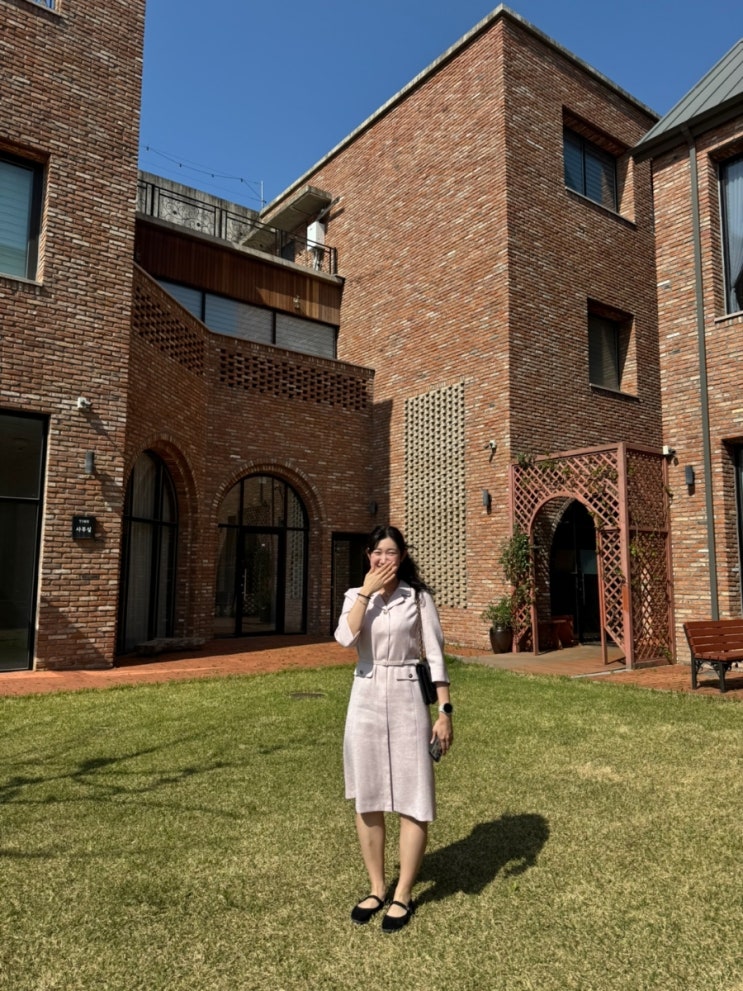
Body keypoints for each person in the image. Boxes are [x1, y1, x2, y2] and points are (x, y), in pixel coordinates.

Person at [334, 524, 453, 932]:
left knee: (412, 793)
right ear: (368, 556)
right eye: (376, 552)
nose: (383, 559)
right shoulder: (355, 596)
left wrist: (444, 711)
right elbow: (345, 638)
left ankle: (403, 893)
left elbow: (434, 656)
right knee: (367, 794)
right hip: (365, 695)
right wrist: (365, 593)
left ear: (401, 557)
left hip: (406, 697)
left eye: (390, 552)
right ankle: (376, 887)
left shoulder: (418, 598)